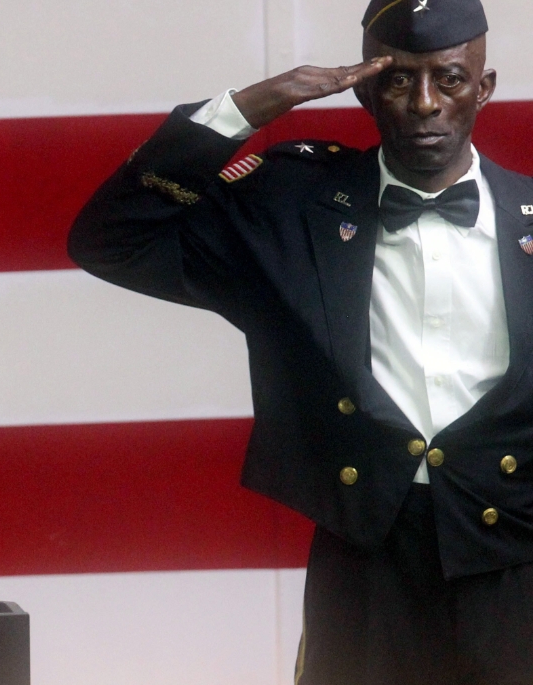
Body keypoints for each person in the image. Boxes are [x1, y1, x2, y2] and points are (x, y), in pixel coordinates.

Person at [69, 0, 533, 682]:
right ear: (368, 89)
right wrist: (253, 106)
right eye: (400, 79)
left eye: (450, 78)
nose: (425, 102)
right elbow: (110, 238)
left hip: (516, 565)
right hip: (366, 559)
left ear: (484, 87)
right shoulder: (290, 212)